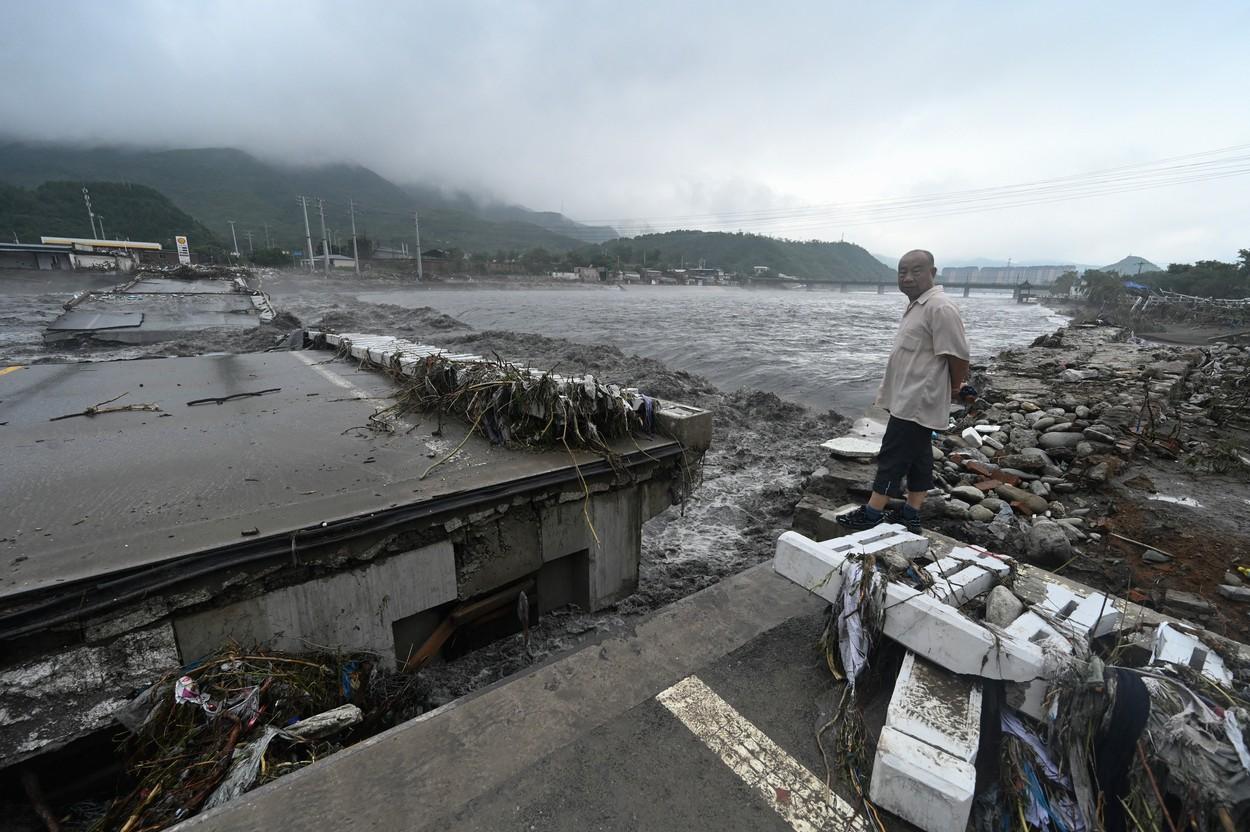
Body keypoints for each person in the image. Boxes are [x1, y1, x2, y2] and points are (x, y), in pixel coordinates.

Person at [838, 249, 970, 533]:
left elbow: (958, 356)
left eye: (916, 271)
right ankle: (911, 513)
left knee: (892, 454)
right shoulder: (917, 306)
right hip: (909, 396)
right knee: (920, 455)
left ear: (933, 273)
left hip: (918, 400)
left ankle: (872, 513)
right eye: (902, 272)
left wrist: (956, 387)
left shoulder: (940, 307)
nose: (908, 278)